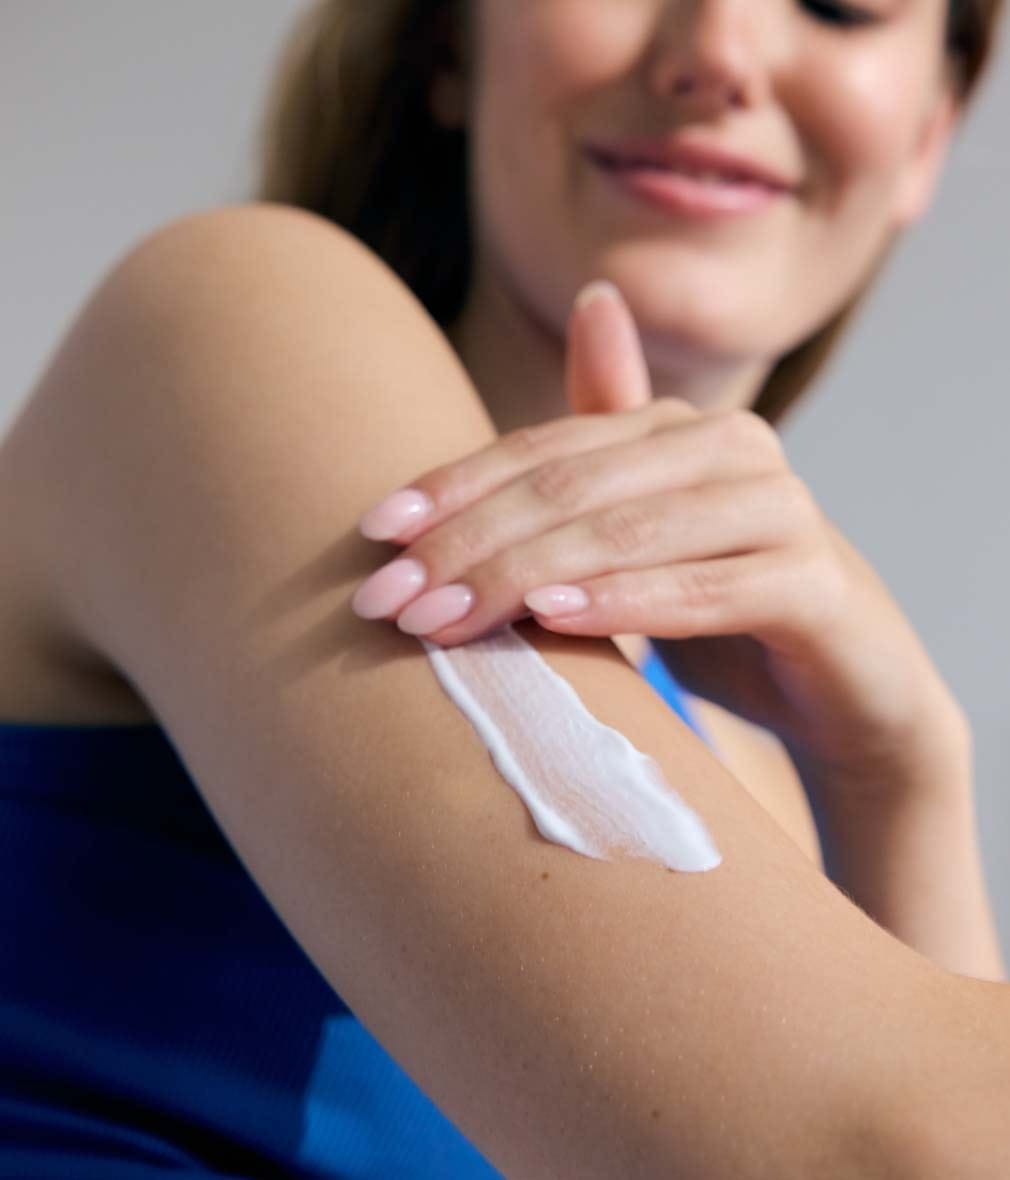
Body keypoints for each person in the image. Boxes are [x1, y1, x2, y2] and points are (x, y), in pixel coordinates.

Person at [0, 0, 1007, 1175]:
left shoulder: (759, 789)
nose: (719, 53)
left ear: (927, 133)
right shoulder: (238, 320)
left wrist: (900, 777)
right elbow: (887, 1142)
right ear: (447, 45)